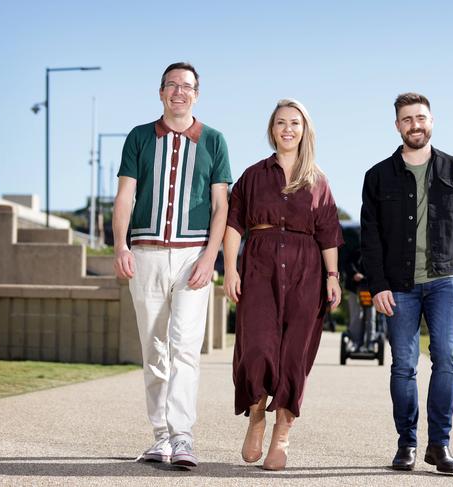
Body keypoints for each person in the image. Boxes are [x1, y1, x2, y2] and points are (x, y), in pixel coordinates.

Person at [112, 62, 232, 468]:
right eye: (172, 85)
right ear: (160, 92)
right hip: (144, 253)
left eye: (187, 86)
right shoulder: (139, 137)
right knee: (154, 349)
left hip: (192, 258)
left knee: (184, 348)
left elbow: (221, 206)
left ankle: (183, 437)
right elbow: (125, 196)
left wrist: (210, 256)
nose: (179, 92)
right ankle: (160, 436)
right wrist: (120, 246)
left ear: (197, 94)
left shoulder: (214, 140)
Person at [361, 93, 453, 474]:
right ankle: (407, 444)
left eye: (421, 117)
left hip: (446, 280)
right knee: (403, 365)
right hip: (397, 285)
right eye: (407, 119)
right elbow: (371, 236)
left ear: (432, 121)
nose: (415, 124)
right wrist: (378, 284)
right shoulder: (378, 175)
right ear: (397, 125)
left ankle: (440, 444)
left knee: (446, 358)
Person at [223, 99, 343, 471]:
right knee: (255, 348)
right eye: (280, 123)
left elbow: (328, 234)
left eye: (295, 123)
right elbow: (233, 225)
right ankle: (257, 416)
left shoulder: (318, 180)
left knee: (294, 355)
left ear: (305, 130)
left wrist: (333, 277)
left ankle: (282, 434)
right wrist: (230, 269)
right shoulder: (253, 175)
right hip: (258, 267)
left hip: (307, 273)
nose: (287, 129)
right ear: (271, 129)